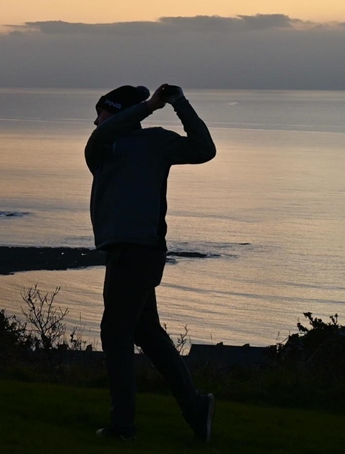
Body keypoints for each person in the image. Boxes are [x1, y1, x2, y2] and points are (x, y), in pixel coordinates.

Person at [85, 83, 217, 443]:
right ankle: (196, 408)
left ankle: (123, 427)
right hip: (122, 250)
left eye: (102, 112)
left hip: (139, 250)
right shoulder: (102, 145)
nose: (95, 120)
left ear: (117, 112)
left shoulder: (156, 142)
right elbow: (112, 129)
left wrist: (178, 104)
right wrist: (149, 105)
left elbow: (205, 149)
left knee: (115, 332)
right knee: (145, 332)